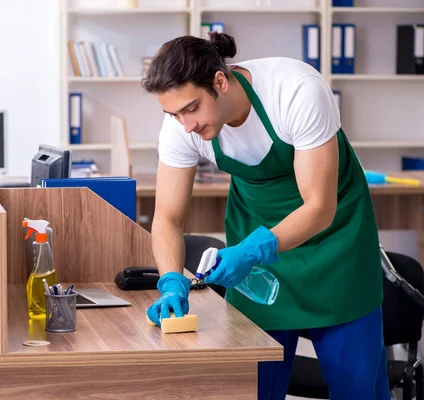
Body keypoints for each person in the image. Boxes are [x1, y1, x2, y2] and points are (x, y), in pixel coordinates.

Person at [142, 32, 390, 400]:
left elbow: (319, 207)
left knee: (357, 389)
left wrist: (254, 250)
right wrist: (171, 280)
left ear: (220, 82)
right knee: (253, 387)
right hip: (258, 257)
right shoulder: (182, 125)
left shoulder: (296, 91)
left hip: (335, 245)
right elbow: (166, 219)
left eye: (191, 108)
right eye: (173, 113)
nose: (185, 125)